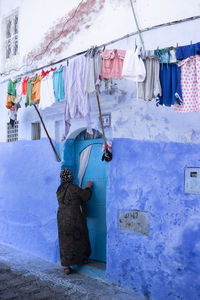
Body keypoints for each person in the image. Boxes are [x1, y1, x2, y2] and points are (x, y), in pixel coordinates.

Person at [56, 168, 93, 275]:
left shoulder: (59, 190)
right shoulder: (73, 188)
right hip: (74, 218)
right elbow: (86, 196)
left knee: (65, 242)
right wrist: (88, 187)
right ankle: (82, 260)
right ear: (71, 177)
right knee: (79, 239)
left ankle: (67, 267)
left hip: (62, 219)